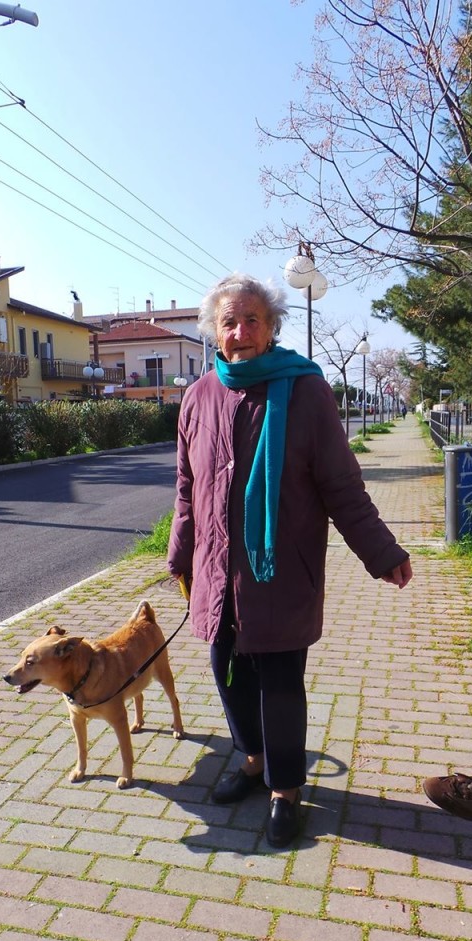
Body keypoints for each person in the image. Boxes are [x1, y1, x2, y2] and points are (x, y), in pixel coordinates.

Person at [167, 273, 413, 848]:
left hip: (280, 571)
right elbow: (186, 487)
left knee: (279, 684)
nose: (240, 331)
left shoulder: (304, 392)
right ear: (214, 331)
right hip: (215, 570)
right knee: (226, 673)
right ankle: (250, 760)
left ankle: (285, 789)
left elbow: (341, 485)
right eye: (229, 321)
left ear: (273, 327)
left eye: (252, 319)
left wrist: (382, 553)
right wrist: (180, 552)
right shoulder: (199, 396)